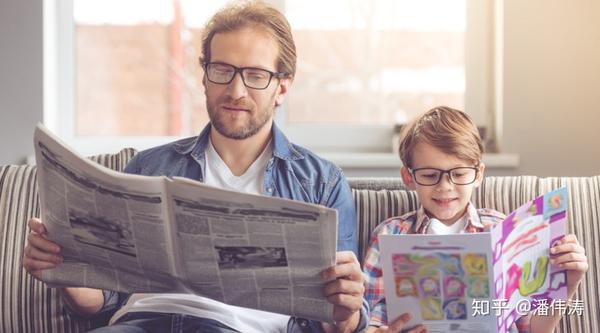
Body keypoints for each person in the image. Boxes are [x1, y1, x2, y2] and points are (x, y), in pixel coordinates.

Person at [23, 2, 367, 333]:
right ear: (204, 76)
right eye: (222, 70)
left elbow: (338, 317)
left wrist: (346, 310)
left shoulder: (321, 182)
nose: (235, 90)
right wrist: (63, 270)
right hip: (140, 322)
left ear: (282, 86)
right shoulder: (149, 166)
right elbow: (103, 301)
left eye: (255, 75)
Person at [363, 106, 589, 333]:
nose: (445, 187)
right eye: (430, 175)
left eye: (459, 174)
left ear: (478, 174)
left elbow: (532, 329)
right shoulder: (390, 234)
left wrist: (568, 284)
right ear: (408, 177)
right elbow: (369, 320)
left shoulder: (502, 230)